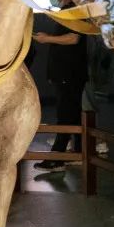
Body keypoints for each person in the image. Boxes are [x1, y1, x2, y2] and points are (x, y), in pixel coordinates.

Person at [33, 18, 88, 171]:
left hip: (69, 74)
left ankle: (57, 159)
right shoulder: (68, 13)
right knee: (74, 114)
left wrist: (47, 39)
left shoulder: (74, 12)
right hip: (67, 75)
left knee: (65, 114)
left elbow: (73, 38)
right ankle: (78, 152)